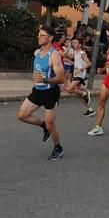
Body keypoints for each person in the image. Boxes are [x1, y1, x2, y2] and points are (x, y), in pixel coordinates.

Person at [16, 25, 66, 161]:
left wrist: (45, 79)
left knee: (51, 124)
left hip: (51, 93)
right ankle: (43, 126)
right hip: (38, 91)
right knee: (22, 115)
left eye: (42, 35)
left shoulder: (54, 55)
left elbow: (61, 78)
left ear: (50, 38)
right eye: (38, 34)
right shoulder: (37, 53)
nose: (39, 37)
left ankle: (58, 148)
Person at [64, 37, 93, 116]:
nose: (74, 44)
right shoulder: (75, 52)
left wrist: (81, 69)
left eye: (76, 43)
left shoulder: (82, 53)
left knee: (68, 89)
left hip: (80, 75)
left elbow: (89, 63)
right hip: (76, 74)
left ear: (80, 45)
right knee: (78, 94)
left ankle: (85, 93)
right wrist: (68, 58)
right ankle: (90, 109)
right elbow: (65, 56)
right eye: (73, 43)